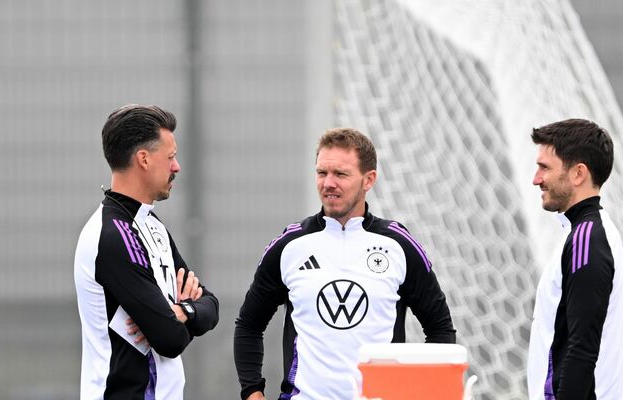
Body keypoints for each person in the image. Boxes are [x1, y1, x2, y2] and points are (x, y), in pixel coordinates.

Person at [234, 128, 456, 400]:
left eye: (340, 174)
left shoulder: (399, 245)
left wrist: (424, 392)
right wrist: (252, 392)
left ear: (368, 179)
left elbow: (440, 329)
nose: (328, 183)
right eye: (321, 173)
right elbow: (249, 325)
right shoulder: (290, 245)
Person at [74, 104, 219, 400]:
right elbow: (169, 338)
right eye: (170, 157)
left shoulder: (152, 226)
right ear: (143, 159)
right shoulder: (113, 236)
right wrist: (183, 316)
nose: (176, 167)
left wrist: (182, 311)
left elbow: (211, 304)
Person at [526, 118, 623, 400]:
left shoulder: (588, 239)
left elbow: (582, 348)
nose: (536, 179)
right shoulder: (586, 233)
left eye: (544, 167)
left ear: (578, 174)